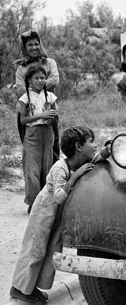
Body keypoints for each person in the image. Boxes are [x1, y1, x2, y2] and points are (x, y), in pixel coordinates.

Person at [10, 126, 97, 304]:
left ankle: (30, 288)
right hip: (44, 213)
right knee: (34, 251)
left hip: (57, 216)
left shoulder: (80, 162)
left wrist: (108, 149)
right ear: (79, 146)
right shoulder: (60, 167)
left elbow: (98, 157)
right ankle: (19, 289)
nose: (95, 146)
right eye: (92, 142)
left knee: (50, 252)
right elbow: (58, 196)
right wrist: (74, 177)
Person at [15, 30, 60, 164]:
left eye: (36, 44)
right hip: (28, 112)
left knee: (53, 145)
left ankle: (53, 179)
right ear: (25, 47)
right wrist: (42, 85)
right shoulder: (21, 68)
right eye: (30, 45)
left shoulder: (49, 62)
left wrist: (34, 86)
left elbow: (55, 80)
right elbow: (21, 90)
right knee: (30, 148)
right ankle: (34, 181)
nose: (34, 47)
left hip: (48, 110)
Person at [17, 65, 58, 213]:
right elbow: (23, 120)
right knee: (32, 170)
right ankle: (33, 203)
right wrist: (41, 115)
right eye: (36, 78)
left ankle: (45, 202)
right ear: (29, 80)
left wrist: (51, 117)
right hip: (32, 134)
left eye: (42, 78)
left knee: (46, 168)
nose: (40, 81)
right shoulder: (25, 98)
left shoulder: (50, 96)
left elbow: (55, 114)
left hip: (47, 133)